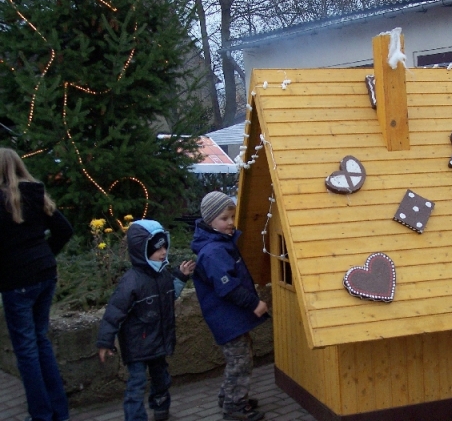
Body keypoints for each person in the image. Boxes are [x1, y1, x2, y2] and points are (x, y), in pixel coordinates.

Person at [0, 147, 74, 421]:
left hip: (17, 280)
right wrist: (44, 256)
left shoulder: (3, 200)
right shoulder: (36, 194)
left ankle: (41, 414)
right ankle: (58, 412)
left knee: (27, 351)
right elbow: (64, 229)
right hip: (44, 275)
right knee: (40, 341)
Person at [96, 220, 195, 421]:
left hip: (157, 341)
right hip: (137, 346)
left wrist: (180, 277)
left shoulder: (163, 275)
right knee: (137, 384)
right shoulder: (131, 282)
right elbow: (114, 312)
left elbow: (169, 296)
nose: (163, 252)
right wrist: (105, 341)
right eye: (157, 249)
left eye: (165, 247)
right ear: (141, 250)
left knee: (161, 379)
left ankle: (161, 408)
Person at [191, 191, 269, 421]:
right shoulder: (213, 251)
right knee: (240, 360)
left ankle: (229, 396)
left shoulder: (220, 244)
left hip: (231, 316)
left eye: (232, 217)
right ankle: (235, 406)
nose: (230, 222)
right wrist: (254, 303)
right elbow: (228, 287)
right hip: (225, 317)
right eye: (224, 218)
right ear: (210, 221)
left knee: (240, 356)